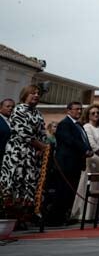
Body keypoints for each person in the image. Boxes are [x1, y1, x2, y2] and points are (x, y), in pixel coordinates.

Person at [0, 86, 50, 223]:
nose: (36, 95)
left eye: (38, 93)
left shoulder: (38, 113)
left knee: (29, 184)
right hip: (17, 154)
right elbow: (23, 132)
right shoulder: (18, 110)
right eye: (33, 93)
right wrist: (41, 146)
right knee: (16, 182)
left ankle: (24, 216)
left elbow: (42, 133)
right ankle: (10, 216)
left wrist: (42, 147)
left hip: (32, 156)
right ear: (25, 95)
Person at [48, 101, 91, 225]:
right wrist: (85, 150)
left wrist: (88, 150)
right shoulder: (64, 124)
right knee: (62, 191)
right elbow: (70, 141)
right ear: (69, 111)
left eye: (80, 109)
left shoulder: (79, 125)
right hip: (66, 164)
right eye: (76, 109)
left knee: (70, 192)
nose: (79, 111)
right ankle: (54, 218)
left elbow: (83, 140)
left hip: (76, 164)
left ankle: (63, 215)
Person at [71, 106, 99, 222]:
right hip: (93, 160)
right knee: (88, 187)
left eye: (98, 113)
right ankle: (84, 215)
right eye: (93, 113)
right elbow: (92, 144)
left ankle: (94, 214)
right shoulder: (87, 127)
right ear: (88, 115)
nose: (96, 115)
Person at [0, 98, 13, 170]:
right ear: (0, 108)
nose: (11, 108)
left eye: (12, 107)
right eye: (8, 106)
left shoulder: (13, 121)